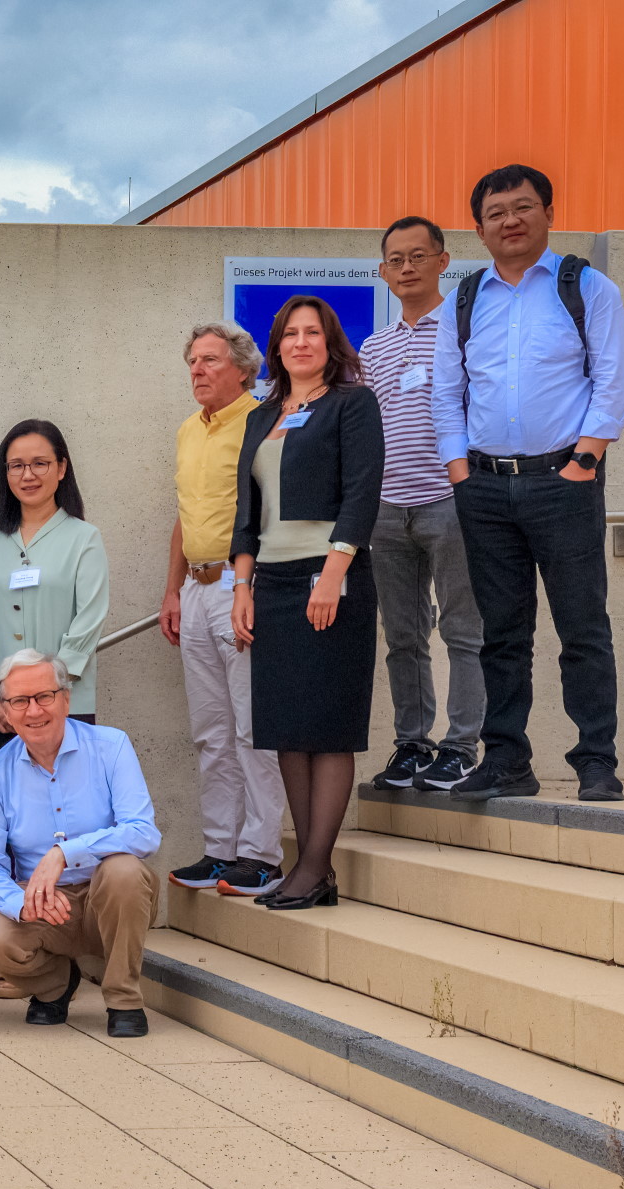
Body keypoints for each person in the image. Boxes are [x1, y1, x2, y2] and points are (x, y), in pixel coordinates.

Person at [432, 162, 624, 803]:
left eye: (522, 207)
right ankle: (507, 762)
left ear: (548, 213)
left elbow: (614, 378)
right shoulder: (465, 299)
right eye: (495, 214)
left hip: (563, 482)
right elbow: (447, 392)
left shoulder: (588, 287)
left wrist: (586, 460)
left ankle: (596, 762)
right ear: (479, 230)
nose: (510, 221)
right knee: (501, 635)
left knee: (583, 629)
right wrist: (459, 471)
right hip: (485, 488)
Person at [227, 295, 384, 909]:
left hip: (331, 577)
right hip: (272, 581)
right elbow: (247, 514)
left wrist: (332, 573)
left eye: (312, 332)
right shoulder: (261, 416)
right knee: (289, 730)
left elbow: (362, 493)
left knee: (328, 728)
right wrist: (242, 587)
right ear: (277, 347)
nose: (300, 342)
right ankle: (308, 868)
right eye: (290, 333)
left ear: (329, 342)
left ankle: (315, 868)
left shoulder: (352, 403)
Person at [0, 651, 160, 1038]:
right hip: (44, 907)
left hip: (110, 898)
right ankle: (55, 984)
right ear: (6, 710)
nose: (34, 710)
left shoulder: (111, 746)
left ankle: (123, 999)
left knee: (123, 870)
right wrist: (21, 903)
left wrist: (66, 853)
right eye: (20, 700)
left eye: (44, 696)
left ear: (66, 699)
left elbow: (143, 832)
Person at [160, 325, 285, 898]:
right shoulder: (189, 429)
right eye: (192, 360)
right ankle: (221, 850)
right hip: (195, 586)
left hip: (242, 586)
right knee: (211, 731)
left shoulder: (263, 421)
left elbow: (271, 511)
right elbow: (185, 516)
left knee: (252, 726)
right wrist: (171, 591)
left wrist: (248, 585)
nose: (197, 369)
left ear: (243, 368)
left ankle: (261, 855)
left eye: (209, 359)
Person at [364, 216, 484, 794]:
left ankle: (461, 748)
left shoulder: (466, 331)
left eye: (418, 256)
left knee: (464, 630)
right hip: (387, 508)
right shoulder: (373, 347)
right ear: (383, 272)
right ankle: (413, 745)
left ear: (443, 261)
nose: (407, 267)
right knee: (403, 637)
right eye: (396, 260)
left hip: (449, 500)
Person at [0, 419, 109, 762]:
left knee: (66, 792)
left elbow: (89, 619)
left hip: (65, 702)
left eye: (40, 463)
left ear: (61, 468)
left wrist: (45, 694)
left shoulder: (84, 538)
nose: (28, 475)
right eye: (16, 466)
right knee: (6, 794)